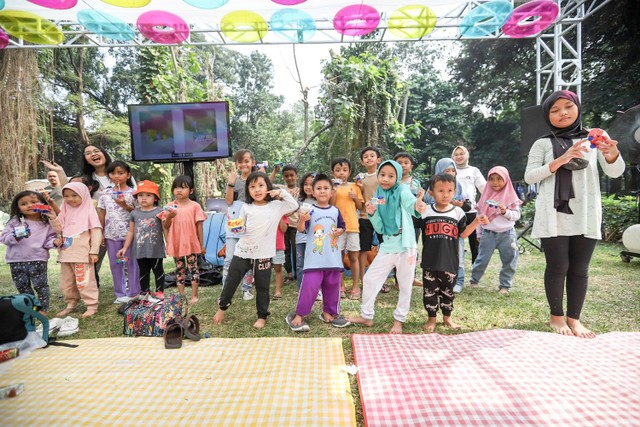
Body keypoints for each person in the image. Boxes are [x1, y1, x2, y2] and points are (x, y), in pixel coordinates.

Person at [524, 90, 624, 338]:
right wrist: (561, 159)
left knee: (580, 268)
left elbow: (614, 172)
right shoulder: (543, 143)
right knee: (558, 265)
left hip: (586, 212)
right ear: (548, 115)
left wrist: (611, 153)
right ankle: (556, 317)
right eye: (554, 110)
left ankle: (575, 319)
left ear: (578, 108)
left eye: (567, 107)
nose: (562, 113)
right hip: (553, 212)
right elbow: (530, 176)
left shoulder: (594, 138)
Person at [347, 161, 426, 334]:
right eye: (382, 174)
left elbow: (409, 202)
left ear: (397, 177)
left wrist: (416, 205)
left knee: (405, 285)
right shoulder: (378, 195)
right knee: (369, 279)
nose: (386, 179)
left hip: (406, 246)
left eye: (391, 176)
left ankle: (399, 320)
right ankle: (367, 316)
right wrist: (372, 213)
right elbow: (380, 228)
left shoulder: (402, 190)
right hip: (388, 245)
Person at [213, 172, 298, 329]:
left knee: (262, 286)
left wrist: (281, 192)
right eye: (252, 187)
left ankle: (262, 316)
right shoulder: (246, 207)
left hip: (264, 254)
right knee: (231, 281)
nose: (257, 190)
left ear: (268, 187)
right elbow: (243, 227)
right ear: (248, 190)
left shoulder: (276, 207)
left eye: (261, 185)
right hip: (243, 251)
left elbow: (294, 205)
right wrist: (237, 228)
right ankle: (222, 308)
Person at [421, 173, 489, 333]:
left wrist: (477, 221)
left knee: (448, 291)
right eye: (441, 191)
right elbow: (414, 223)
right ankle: (431, 318)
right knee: (430, 291)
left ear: (455, 191)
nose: (445, 195)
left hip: (450, 261)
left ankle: (447, 317)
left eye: (449, 190)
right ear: (431, 192)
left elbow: (463, 234)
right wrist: (417, 205)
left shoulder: (458, 213)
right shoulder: (426, 212)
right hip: (430, 261)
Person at [286, 173, 349, 332]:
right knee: (309, 288)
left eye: (326, 188)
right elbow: (301, 230)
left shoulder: (335, 210)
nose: (322, 191)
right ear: (313, 192)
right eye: (319, 188)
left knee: (332, 288)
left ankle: (329, 313)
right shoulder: (309, 210)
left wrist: (339, 231)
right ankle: (299, 315)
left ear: (331, 192)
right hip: (314, 260)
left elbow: (342, 227)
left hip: (333, 259)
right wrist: (302, 219)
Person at [1, 191, 60, 314]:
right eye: (23, 204)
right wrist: (15, 236)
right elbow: (4, 238)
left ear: (42, 204)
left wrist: (55, 242)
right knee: (23, 287)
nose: (29, 205)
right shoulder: (15, 222)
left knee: (41, 286)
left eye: (33, 202)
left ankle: (43, 309)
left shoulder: (46, 224)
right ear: (18, 208)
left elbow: (49, 240)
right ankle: (33, 308)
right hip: (16, 260)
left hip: (38, 259)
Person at [469, 166, 521, 295]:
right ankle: (474, 281)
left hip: (507, 234)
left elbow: (516, 216)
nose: (495, 182)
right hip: (488, 234)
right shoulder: (485, 196)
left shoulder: (511, 197)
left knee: (509, 260)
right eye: (491, 179)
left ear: (506, 180)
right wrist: (479, 233)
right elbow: (479, 216)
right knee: (482, 259)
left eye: (499, 179)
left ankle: (505, 286)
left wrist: (505, 211)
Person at [54, 182, 102, 318]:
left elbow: (96, 232)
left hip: (82, 254)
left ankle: (91, 305)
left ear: (84, 195)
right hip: (65, 254)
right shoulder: (65, 210)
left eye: (74, 195)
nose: (70, 199)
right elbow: (58, 229)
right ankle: (71, 304)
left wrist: (94, 251)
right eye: (66, 196)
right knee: (67, 282)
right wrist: (52, 219)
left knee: (84, 281)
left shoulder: (88, 211)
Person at [158, 175, 207, 305]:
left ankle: (194, 295)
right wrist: (170, 216)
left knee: (193, 268)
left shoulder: (195, 206)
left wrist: (201, 244)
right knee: (179, 269)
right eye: (176, 187)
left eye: (183, 188)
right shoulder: (169, 207)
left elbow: (199, 226)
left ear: (191, 191)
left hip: (190, 244)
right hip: (177, 243)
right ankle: (181, 295)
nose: (179, 190)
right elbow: (165, 226)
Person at [425, 158, 471, 294]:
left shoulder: (459, 185)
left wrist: (460, 204)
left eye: (453, 170)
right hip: (438, 228)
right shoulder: (431, 189)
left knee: (459, 253)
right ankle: (439, 280)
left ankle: (459, 280)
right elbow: (427, 205)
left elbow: (467, 205)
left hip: (455, 223)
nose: (451, 173)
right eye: (447, 170)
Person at [98, 161, 139, 304]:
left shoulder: (134, 193)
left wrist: (125, 205)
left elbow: (138, 214)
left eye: (121, 173)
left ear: (128, 175)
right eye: (113, 173)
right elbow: (102, 213)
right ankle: (120, 293)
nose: (116, 176)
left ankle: (134, 292)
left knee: (131, 263)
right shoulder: (105, 193)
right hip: (111, 235)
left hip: (130, 234)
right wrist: (101, 232)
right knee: (117, 263)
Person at [117, 180, 166, 300]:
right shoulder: (134, 213)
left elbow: (165, 229)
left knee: (158, 269)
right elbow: (131, 232)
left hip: (156, 249)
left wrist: (169, 244)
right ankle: (144, 292)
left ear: (155, 198)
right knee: (143, 271)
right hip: (140, 249)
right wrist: (125, 247)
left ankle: (160, 291)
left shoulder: (160, 212)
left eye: (148, 195)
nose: (144, 198)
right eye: (140, 195)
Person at [224, 149, 256, 301]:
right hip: (233, 225)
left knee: (248, 259)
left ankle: (247, 289)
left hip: (250, 226)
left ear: (253, 163)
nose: (244, 164)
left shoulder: (256, 180)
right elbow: (229, 201)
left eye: (247, 161)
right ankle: (225, 289)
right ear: (236, 164)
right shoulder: (234, 179)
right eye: (240, 161)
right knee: (229, 259)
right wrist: (231, 182)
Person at [331, 157, 365, 299]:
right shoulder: (332, 187)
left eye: (344, 170)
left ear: (350, 172)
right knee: (338, 257)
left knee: (353, 257)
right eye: (338, 170)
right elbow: (331, 205)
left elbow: (360, 206)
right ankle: (341, 286)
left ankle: (356, 286)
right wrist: (333, 190)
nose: (341, 173)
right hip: (337, 228)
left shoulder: (355, 187)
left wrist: (354, 197)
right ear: (333, 172)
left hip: (352, 226)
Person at [452, 145, 486, 265]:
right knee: (454, 240)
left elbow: (484, 189)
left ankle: (476, 266)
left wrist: (484, 206)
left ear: (466, 155)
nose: (459, 156)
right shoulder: (450, 170)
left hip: (470, 210)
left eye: (461, 154)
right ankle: (454, 264)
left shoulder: (473, 170)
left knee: (474, 241)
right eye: (456, 154)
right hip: (453, 211)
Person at [356, 147, 383, 291]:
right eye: (365, 156)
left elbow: (386, 197)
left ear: (378, 160)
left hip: (381, 217)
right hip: (365, 217)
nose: (369, 158)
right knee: (363, 249)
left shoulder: (383, 175)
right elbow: (359, 198)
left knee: (384, 249)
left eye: (372, 156)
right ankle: (362, 279)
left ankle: (381, 280)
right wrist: (359, 187)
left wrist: (376, 203)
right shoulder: (361, 178)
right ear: (362, 162)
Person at [394, 151, 423, 287]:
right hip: (397, 220)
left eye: (406, 163)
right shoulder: (392, 181)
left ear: (411, 166)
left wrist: (420, 198)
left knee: (413, 247)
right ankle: (398, 280)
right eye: (399, 163)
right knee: (398, 249)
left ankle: (412, 277)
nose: (403, 165)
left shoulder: (415, 182)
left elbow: (419, 201)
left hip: (413, 220)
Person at [295, 172, 316, 289]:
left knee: (314, 264)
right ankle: (302, 288)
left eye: (312, 184)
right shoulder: (299, 201)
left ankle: (315, 288)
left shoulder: (320, 202)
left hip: (315, 238)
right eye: (306, 184)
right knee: (300, 265)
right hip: (300, 238)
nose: (308, 187)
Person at [272, 216, 288, 300]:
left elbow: (284, 229)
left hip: (278, 245)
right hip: (264, 245)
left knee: (278, 269)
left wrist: (279, 217)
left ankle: (278, 290)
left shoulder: (282, 214)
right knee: (263, 269)